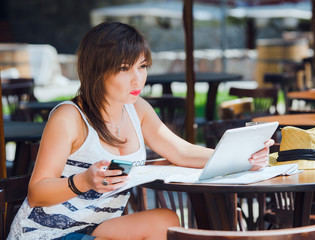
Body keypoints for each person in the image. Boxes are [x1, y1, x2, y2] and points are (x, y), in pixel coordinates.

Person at [7, 22, 274, 240]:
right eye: (124, 68)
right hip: (46, 233)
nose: (138, 79)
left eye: (142, 66)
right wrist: (84, 181)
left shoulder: (137, 109)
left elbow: (180, 151)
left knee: (166, 220)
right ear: (96, 70)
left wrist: (241, 157)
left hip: (96, 228)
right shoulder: (69, 117)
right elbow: (37, 192)